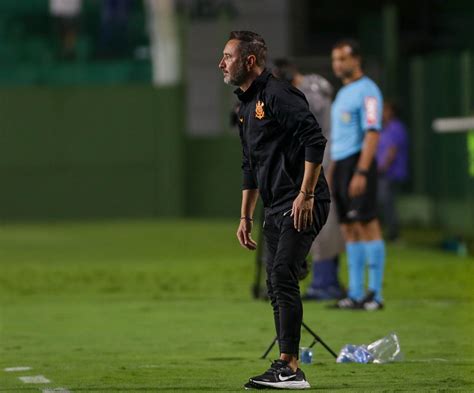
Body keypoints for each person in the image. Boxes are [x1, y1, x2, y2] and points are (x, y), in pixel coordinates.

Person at [219, 31, 330, 389]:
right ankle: (286, 364)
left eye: (228, 56)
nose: (222, 63)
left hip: (302, 199)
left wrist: (307, 194)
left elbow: (314, 139)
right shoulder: (244, 108)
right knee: (276, 280)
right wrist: (244, 217)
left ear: (249, 61)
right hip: (276, 205)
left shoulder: (278, 94)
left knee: (282, 274)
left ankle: (290, 367)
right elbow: (249, 166)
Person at [272, 59, 345, 300]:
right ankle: (328, 279)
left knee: (320, 223)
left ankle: (325, 282)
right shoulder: (317, 88)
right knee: (328, 222)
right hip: (329, 159)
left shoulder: (306, 96)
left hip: (321, 164)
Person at [329, 39, 386, 311]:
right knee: (349, 229)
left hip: (358, 163)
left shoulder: (369, 91)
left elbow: (373, 132)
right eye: (335, 60)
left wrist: (361, 171)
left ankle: (374, 294)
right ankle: (354, 292)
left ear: (357, 60)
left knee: (367, 224)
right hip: (341, 165)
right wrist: (332, 170)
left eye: (342, 59)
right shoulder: (343, 93)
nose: (337, 64)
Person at [376, 101, 408, 241]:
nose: (382, 112)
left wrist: (382, 167)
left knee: (387, 202)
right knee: (384, 201)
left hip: (390, 173)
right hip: (383, 173)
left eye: (385, 110)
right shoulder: (385, 128)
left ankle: (393, 234)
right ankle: (389, 232)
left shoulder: (396, 127)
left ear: (392, 112)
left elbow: (392, 151)